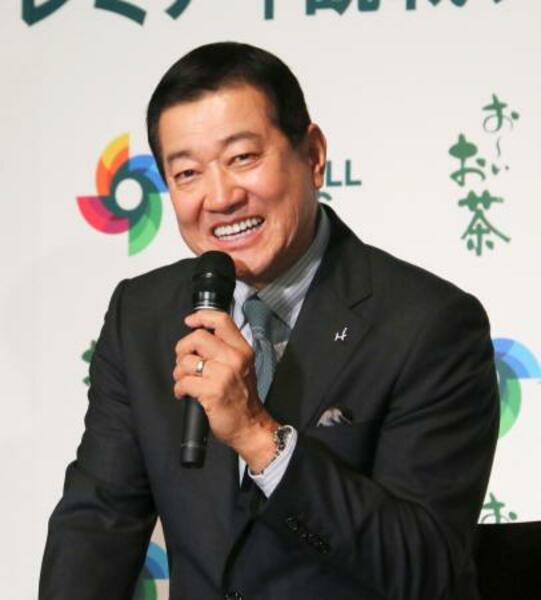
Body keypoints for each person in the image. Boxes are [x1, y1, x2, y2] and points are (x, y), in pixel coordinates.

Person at [39, 42, 499, 600]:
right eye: (187, 173)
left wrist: (259, 436)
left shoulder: (429, 324)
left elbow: (426, 570)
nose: (220, 197)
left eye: (242, 158)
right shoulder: (142, 315)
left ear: (313, 154)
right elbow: (98, 520)